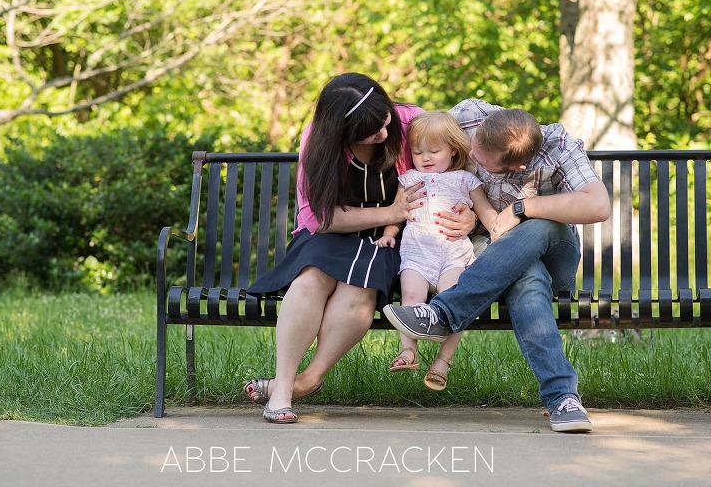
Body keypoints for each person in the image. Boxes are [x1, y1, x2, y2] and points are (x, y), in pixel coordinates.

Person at [242, 74, 477, 423]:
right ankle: (283, 387)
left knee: (359, 290)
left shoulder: (409, 120)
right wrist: (391, 211)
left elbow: (457, 170)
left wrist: (469, 215)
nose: (382, 135)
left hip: (386, 236)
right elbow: (317, 217)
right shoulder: (318, 142)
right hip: (331, 231)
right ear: (340, 132)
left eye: (383, 123)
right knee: (311, 280)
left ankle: (309, 380)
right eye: (368, 133)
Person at [383, 99, 611, 433]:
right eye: (472, 149)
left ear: (517, 166)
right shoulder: (470, 117)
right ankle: (563, 397)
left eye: (481, 160)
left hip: (555, 252)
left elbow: (598, 205)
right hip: (486, 254)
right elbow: (416, 131)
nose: (471, 157)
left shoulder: (559, 147)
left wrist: (525, 207)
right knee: (528, 277)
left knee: (539, 224)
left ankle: (443, 314)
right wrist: (472, 216)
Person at [376, 111, 498, 391]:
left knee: (453, 300)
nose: (426, 158)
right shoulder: (408, 178)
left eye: (434, 151)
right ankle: (408, 351)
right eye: (418, 152)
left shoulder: (466, 180)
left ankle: (443, 361)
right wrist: (388, 234)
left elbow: (484, 210)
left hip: (453, 253)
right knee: (411, 296)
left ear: (453, 150)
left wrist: (497, 229)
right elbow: (398, 213)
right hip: (417, 253)